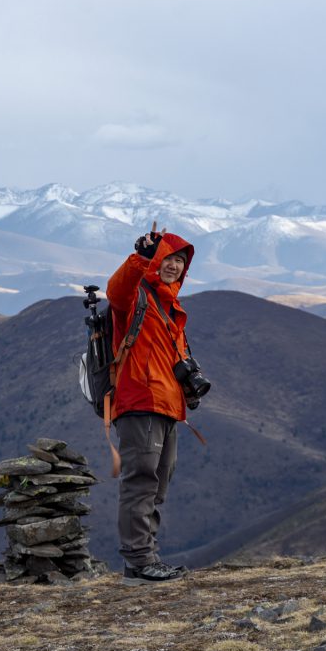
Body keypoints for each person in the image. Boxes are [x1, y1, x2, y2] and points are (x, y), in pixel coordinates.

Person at [105, 225, 195, 586]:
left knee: (157, 485)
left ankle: (147, 558)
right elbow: (116, 290)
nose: (173, 266)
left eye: (179, 261)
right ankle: (139, 563)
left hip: (168, 405)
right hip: (140, 400)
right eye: (167, 259)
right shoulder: (137, 296)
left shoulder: (169, 304)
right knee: (140, 482)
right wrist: (142, 257)